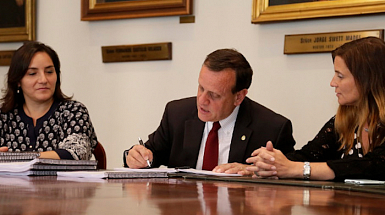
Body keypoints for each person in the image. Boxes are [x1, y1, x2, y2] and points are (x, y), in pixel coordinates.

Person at [124, 48, 295, 174]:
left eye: (214, 95)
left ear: (239, 97)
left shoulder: (272, 129)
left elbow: (290, 175)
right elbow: (150, 154)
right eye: (201, 88)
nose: (202, 100)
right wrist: (135, 156)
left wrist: (257, 172)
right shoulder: (177, 114)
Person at [246, 37, 385, 181]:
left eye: (340, 76)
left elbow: (373, 167)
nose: (333, 83)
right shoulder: (344, 120)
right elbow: (309, 155)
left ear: (367, 80)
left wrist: (297, 169)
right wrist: (263, 165)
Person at [0, 41, 98, 160]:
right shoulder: (4, 115)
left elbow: (77, 153)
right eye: (32, 73)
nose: (43, 79)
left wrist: (16, 158)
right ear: (18, 81)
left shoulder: (73, 111)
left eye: (49, 72)